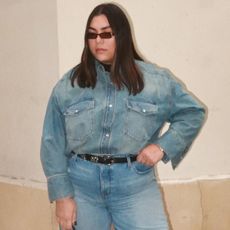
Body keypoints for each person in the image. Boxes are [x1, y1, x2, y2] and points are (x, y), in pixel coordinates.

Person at [40, 3, 206, 230]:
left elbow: (193, 113)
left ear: (122, 35)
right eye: (92, 34)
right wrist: (62, 196)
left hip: (134, 186)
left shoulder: (156, 82)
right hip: (81, 186)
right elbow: (52, 142)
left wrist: (162, 147)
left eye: (106, 33)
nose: (98, 41)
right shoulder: (69, 85)